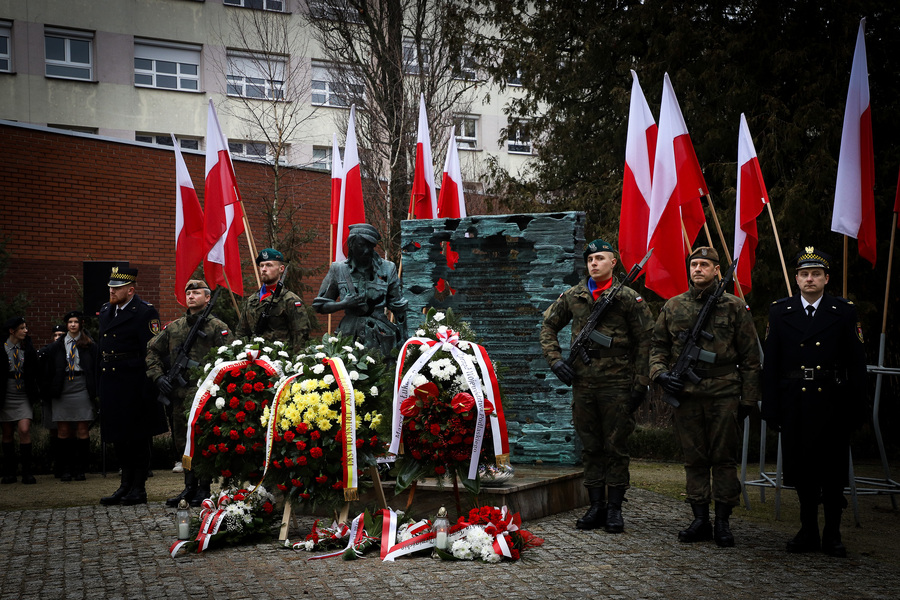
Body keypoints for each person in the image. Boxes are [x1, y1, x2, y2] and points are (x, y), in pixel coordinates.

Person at [540, 239, 653, 533]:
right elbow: (548, 325)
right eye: (590, 259)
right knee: (590, 447)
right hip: (584, 382)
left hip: (618, 382)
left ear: (613, 262)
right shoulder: (574, 295)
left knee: (615, 445)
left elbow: (646, 342)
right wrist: (555, 360)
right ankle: (595, 506)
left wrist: (641, 383)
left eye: (600, 258)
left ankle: (614, 509)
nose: (594, 263)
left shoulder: (628, 298)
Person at [649, 247, 760, 547]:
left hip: (724, 392)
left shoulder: (735, 307)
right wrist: (660, 374)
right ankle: (699, 519)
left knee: (724, 460)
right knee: (694, 459)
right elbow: (657, 346)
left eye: (705, 265)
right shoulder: (673, 307)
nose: (698, 269)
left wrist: (748, 399)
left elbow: (751, 358)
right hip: (686, 395)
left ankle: (723, 522)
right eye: (694, 264)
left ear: (716, 270)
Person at [761, 246, 867, 558]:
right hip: (795, 401)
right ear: (796, 279)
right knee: (801, 469)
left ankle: (832, 533)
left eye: (816, 274)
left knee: (833, 472)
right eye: (804, 274)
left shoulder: (843, 311)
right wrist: (771, 407)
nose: (810, 279)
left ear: (826, 279)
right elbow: (772, 363)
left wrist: (858, 407)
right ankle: (807, 529)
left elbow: (856, 364)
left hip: (833, 402)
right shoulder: (780, 311)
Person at [146, 279, 233, 507]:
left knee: (202, 441)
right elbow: (152, 350)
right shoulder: (174, 327)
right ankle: (189, 487)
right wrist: (159, 377)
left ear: (207, 298)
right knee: (181, 442)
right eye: (189, 293)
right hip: (179, 396)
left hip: (205, 396)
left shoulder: (216, 327)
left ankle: (204, 489)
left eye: (197, 293)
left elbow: (231, 357)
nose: (191, 296)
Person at [97, 266, 168, 505]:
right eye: (110, 287)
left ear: (130, 290)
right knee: (119, 437)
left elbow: (151, 350)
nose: (111, 291)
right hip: (112, 382)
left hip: (134, 382)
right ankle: (124, 485)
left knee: (137, 437)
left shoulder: (144, 312)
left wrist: (147, 382)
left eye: (116, 288)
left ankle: (138, 487)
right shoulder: (107, 311)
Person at [314, 224, 408, 356]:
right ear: (351, 245)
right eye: (361, 245)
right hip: (349, 336)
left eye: (370, 246)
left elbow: (399, 306)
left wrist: (404, 339)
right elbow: (319, 305)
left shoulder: (388, 268)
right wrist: (344, 304)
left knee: (385, 373)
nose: (366, 250)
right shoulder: (338, 269)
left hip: (381, 337)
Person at [44, 311, 98, 482]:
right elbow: (48, 367)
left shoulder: (89, 344)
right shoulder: (57, 345)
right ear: (66, 324)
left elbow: (95, 367)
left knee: (82, 429)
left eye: (76, 322)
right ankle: (65, 468)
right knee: (63, 430)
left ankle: (81, 468)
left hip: (81, 385)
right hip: (63, 386)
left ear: (81, 324)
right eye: (70, 322)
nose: (73, 325)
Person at [236, 248, 310, 352]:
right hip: (254, 360)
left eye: (269, 265)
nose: (264, 269)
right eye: (261, 266)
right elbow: (241, 334)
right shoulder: (252, 300)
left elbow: (301, 336)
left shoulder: (290, 300)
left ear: (281, 269)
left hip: (280, 360)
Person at [1, 317, 41, 484]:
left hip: (23, 394)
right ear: (12, 331)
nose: (26, 331)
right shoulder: (2, 348)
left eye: (26, 328)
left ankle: (27, 472)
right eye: (22, 328)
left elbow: (35, 371)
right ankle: (10, 472)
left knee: (24, 430)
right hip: (5, 395)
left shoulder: (28, 348)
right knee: (7, 433)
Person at [38, 324, 66, 477]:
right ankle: (55, 462)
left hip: (64, 395)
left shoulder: (68, 352)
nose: (57, 338)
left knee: (67, 431)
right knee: (53, 431)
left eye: (60, 335)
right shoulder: (46, 352)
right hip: (50, 395)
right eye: (55, 335)